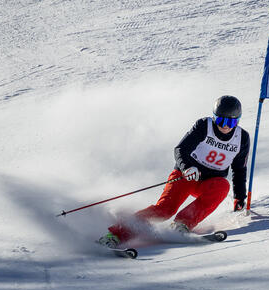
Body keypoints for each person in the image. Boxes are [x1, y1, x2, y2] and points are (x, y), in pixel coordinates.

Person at [99, 95, 250, 247]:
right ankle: (115, 235)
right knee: (165, 210)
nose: (226, 126)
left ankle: (182, 225)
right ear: (214, 117)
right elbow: (180, 149)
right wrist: (186, 168)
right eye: (221, 121)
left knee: (223, 186)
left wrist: (240, 197)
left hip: (210, 182)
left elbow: (239, 169)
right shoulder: (204, 126)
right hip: (186, 176)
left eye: (232, 122)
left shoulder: (242, 138)